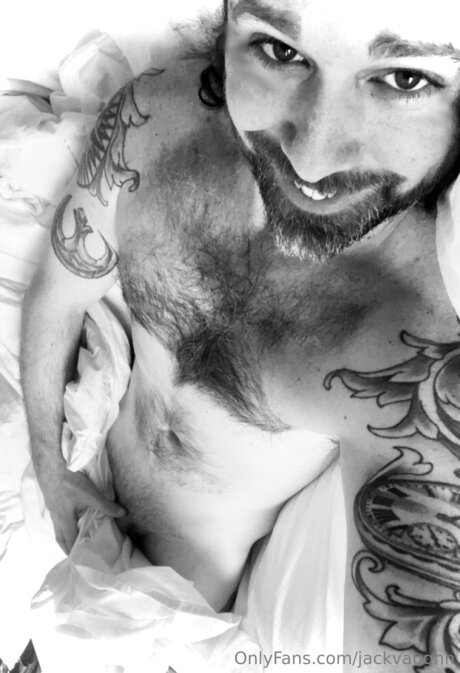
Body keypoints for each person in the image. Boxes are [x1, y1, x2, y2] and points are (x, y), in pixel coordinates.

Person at [20, 0, 460, 666]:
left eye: (405, 78)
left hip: (174, 614)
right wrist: (55, 479)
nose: (312, 156)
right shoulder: (154, 124)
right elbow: (60, 290)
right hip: (77, 480)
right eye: (281, 51)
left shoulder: (412, 353)